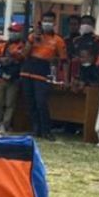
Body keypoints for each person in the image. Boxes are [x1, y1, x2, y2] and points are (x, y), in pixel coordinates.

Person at [21, 13, 67, 141]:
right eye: (45, 20)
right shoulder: (32, 36)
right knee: (30, 102)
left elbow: (63, 60)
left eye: (50, 21)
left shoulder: (58, 40)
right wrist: (33, 40)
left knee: (41, 102)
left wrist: (63, 76)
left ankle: (46, 130)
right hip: (28, 70)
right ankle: (36, 129)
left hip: (43, 71)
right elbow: (24, 54)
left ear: (54, 23)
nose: (47, 23)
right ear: (41, 22)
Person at [0, 22, 26, 132]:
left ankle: (5, 125)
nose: (13, 33)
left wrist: (11, 60)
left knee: (10, 103)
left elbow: (21, 58)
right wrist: (1, 60)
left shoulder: (23, 45)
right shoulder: (2, 45)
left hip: (14, 78)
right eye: (11, 31)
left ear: (20, 33)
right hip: (0, 77)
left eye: (15, 31)